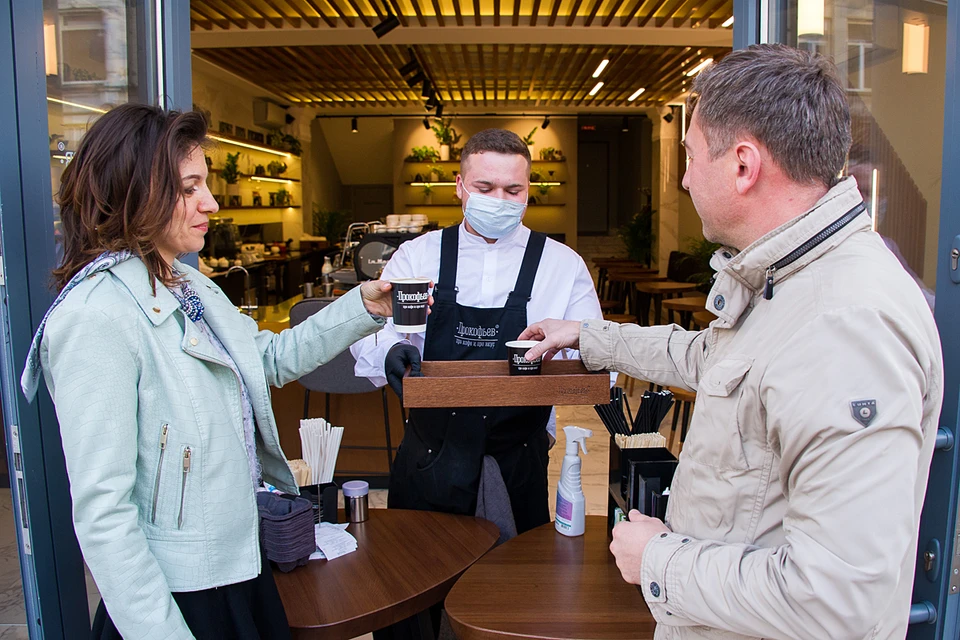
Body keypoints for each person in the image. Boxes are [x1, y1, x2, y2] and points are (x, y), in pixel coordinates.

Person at [521, 45, 943, 640]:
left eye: (691, 156)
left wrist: (659, 559)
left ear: (743, 165)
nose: (686, 178)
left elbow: (835, 599)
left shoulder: (845, 323)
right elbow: (710, 359)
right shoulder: (789, 279)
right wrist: (589, 336)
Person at [20, 103, 399, 639]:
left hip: (238, 568)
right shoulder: (95, 317)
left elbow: (266, 359)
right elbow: (104, 514)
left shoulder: (186, 283)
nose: (212, 202)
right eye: (189, 187)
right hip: (180, 597)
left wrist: (363, 306)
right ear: (135, 191)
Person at [352, 128, 602, 534]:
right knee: (423, 567)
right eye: (484, 187)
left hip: (519, 453)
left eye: (512, 190)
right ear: (460, 187)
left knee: (515, 579)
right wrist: (388, 352)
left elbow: (591, 349)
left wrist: (570, 343)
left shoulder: (562, 264)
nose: (498, 201)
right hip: (430, 450)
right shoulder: (418, 255)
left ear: (527, 192)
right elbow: (373, 330)